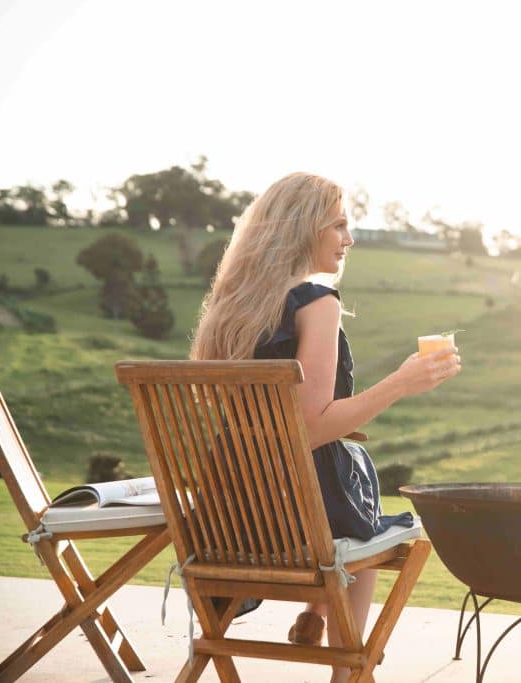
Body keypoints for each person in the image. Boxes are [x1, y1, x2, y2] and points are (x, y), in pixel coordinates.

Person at [190, 172, 461, 683]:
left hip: (229, 508)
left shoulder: (232, 307)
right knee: (370, 525)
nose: (349, 239)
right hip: (295, 515)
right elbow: (308, 431)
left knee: (354, 480)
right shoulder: (316, 304)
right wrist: (402, 382)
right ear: (303, 228)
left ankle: (317, 618)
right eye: (338, 225)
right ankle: (348, 671)